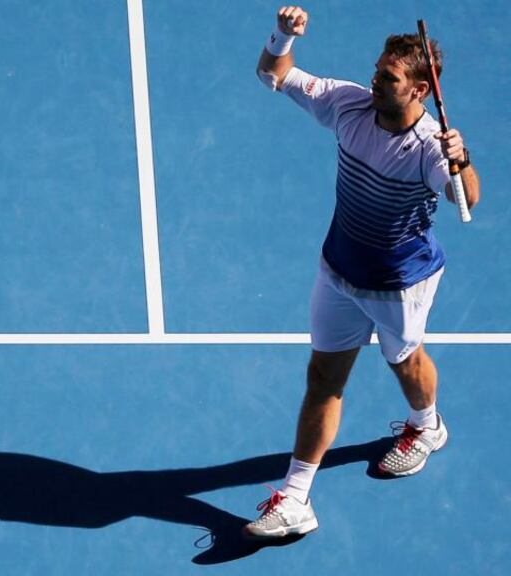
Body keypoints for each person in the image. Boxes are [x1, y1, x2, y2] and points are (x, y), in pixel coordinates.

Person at [244, 6, 481, 539]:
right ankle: (296, 498)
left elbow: (466, 198)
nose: (375, 80)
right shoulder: (349, 104)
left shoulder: (428, 149)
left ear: (420, 89)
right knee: (324, 378)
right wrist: (283, 35)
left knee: (403, 362)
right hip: (338, 269)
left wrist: (461, 159)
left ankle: (427, 426)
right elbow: (271, 74)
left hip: (399, 284)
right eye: (376, 70)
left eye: (388, 77)